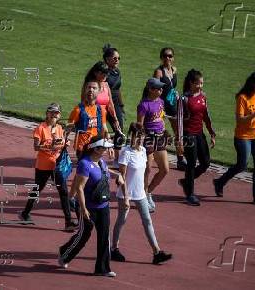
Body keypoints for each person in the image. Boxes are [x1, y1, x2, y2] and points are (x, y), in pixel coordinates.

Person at [111, 122, 172, 264]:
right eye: (136, 136)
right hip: (126, 193)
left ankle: (157, 252)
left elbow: (144, 173)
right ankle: (114, 249)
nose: (139, 139)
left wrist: (145, 190)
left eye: (141, 136)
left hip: (140, 193)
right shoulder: (126, 152)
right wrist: (126, 197)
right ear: (131, 136)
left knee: (147, 221)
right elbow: (122, 177)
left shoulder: (144, 151)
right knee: (121, 220)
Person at [58, 136, 116, 277]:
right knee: (83, 235)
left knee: (104, 236)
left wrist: (118, 175)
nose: (106, 150)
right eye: (104, 148)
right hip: (89, 207)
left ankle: (102, 268)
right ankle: (65, 255)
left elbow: (105, 173)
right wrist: (83, 208)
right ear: (95, 149)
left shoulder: (101, 162)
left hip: (103, 206)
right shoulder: (85, 164)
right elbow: (79, 187)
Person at [213, 71, 255, 206]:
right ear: (252, 84)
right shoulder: (242, 98)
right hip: (243, 136)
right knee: (242, 165)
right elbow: (240, 120)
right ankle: (220, 182)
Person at [19, 103, 78, 231]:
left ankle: (68, 221)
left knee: (63, 191)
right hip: (43, 165)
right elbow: (36, 147)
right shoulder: (41, 128)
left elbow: (61, 142)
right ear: (47, 113)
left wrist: (65, 144)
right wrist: (49, 147)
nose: (53, 115)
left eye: (56, 113)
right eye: (51, 112)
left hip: (56, 165)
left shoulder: (60, 128)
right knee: (37, 190)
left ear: (59, 115)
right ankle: (25, 213)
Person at [177, 70, 216, 206]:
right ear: (191, 83)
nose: (200, 86)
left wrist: (211, 132)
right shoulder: (184, 99)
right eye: (198, 83)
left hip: (200, 133)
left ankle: (187, 181)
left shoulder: (203, 96)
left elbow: (206, 116)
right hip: (188, 134)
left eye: (202, 83)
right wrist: (180, 141)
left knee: (205, 163)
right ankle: (190, 195)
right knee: (192, 164)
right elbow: (180, 120)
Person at [137, 78, 170, 213]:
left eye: (161, 88)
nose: (161, 90)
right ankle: (143, 196)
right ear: (150, 89)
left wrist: (165, 131)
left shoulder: (161, 102)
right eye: (158, 88)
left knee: (165, 169)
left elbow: (161, 118)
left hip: (160, 137)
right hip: (148, 138)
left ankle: (148, 192)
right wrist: (139, 142)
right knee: (148, 169)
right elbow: (139, 125)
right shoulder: (143, 105)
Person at [152, 47, 187, 170]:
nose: (168, 58)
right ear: (161, 58)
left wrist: (175, 93)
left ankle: (180, 159)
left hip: (172, 104)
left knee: (178, 131)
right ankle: (153, 156)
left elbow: (172, 86)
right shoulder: (159, 72)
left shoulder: (174, 70)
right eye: (165, 56)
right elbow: (153, 88)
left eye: (170, 56)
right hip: (161, 105)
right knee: (159, 131)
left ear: (173, 57)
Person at [68, 79, 111, 159]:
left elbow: (104, 128)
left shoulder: (101, 110)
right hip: (82, 147)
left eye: (94, 88)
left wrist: (109, 145)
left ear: (99, 91)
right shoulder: (78, 109)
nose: (91, 90)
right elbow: (68, 128)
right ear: (85, 90)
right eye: (89, 87)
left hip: (96, 146)